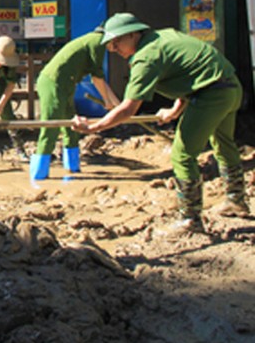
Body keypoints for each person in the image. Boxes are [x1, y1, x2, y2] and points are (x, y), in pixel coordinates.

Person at [72, 13, 249, 234]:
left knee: (182, 155)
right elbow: (192, 73)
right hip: (230, 88)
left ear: (134, 34)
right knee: (224, 144)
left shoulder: (146, 57)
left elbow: (128, 108)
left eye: (117, 42)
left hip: (210, 96)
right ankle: (236, 200)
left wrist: (93, 127)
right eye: (110, 45)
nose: (114, 48)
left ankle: (190, 220)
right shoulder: (165, 37)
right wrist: (175, 109)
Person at [30, 28, 120, 179]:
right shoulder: (97, 42)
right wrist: (109, 102)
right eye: (117, 46)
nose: (116, 50)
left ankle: (72, 169)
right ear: (114, 39)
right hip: (53, 82)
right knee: (51, 126)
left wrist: (118, 106)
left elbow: (100, 79)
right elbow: (97, 79)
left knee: (72, 128)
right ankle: (38, 175)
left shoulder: (96, 42)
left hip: (67, 84)